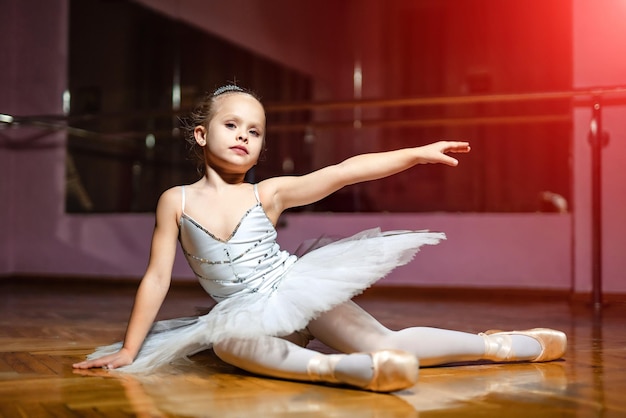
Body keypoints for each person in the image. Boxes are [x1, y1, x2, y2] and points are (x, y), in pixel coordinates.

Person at [73, 85, 566, 393]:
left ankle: (509, 346)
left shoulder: (269, 193)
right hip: (245, 312)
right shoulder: (175, 201)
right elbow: (157, 277)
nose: (244, 136)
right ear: (202, 135)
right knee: (227, 345)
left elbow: (343, 172)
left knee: (385, 341)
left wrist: (413, 153)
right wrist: (130, 349)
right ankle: (346, 371)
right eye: (232, 125)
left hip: (296, 290)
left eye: (256, 131)